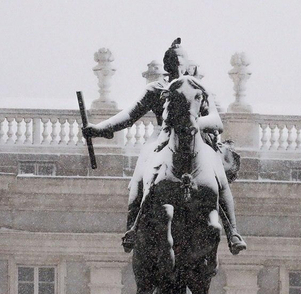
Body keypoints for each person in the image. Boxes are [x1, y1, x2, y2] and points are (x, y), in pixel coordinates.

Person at [83, 38, 245, 254]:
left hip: (195, 137)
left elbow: (217, 122)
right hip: (162, 138)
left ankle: (233, 232)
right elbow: (129, 116)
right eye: (171, 60)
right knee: (139, 177)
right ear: (166, 65)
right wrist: (100, 128)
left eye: (179, 60)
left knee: (219, 178)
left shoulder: (198, 89)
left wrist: (193, 123)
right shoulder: (156, 89)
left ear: (187, 64)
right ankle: (132, 227)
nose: (175, 64)